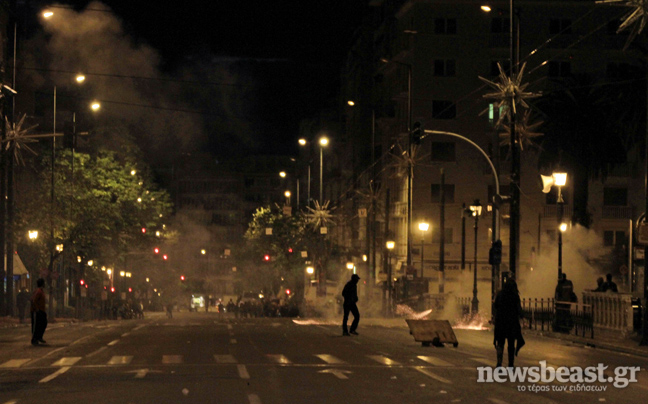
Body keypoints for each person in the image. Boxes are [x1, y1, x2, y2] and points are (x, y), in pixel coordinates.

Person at [493, 279, 524, 367]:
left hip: (501, 322)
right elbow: (519, 309)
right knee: (511, 344)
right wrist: (522, 315)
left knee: (500, 343)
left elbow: (495, 306)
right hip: (512, 323)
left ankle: (499, 362)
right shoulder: (515, 296)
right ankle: (511, 363)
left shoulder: (500, 294)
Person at [30, 279, 48, 346]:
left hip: (41, 310)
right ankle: (34, 339)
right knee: (36, 325)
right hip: (37, 311)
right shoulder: (38, 291)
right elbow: (33, 300)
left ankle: (39, 337)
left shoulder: (41, 291)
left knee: (43, 323)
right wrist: (36, 309)